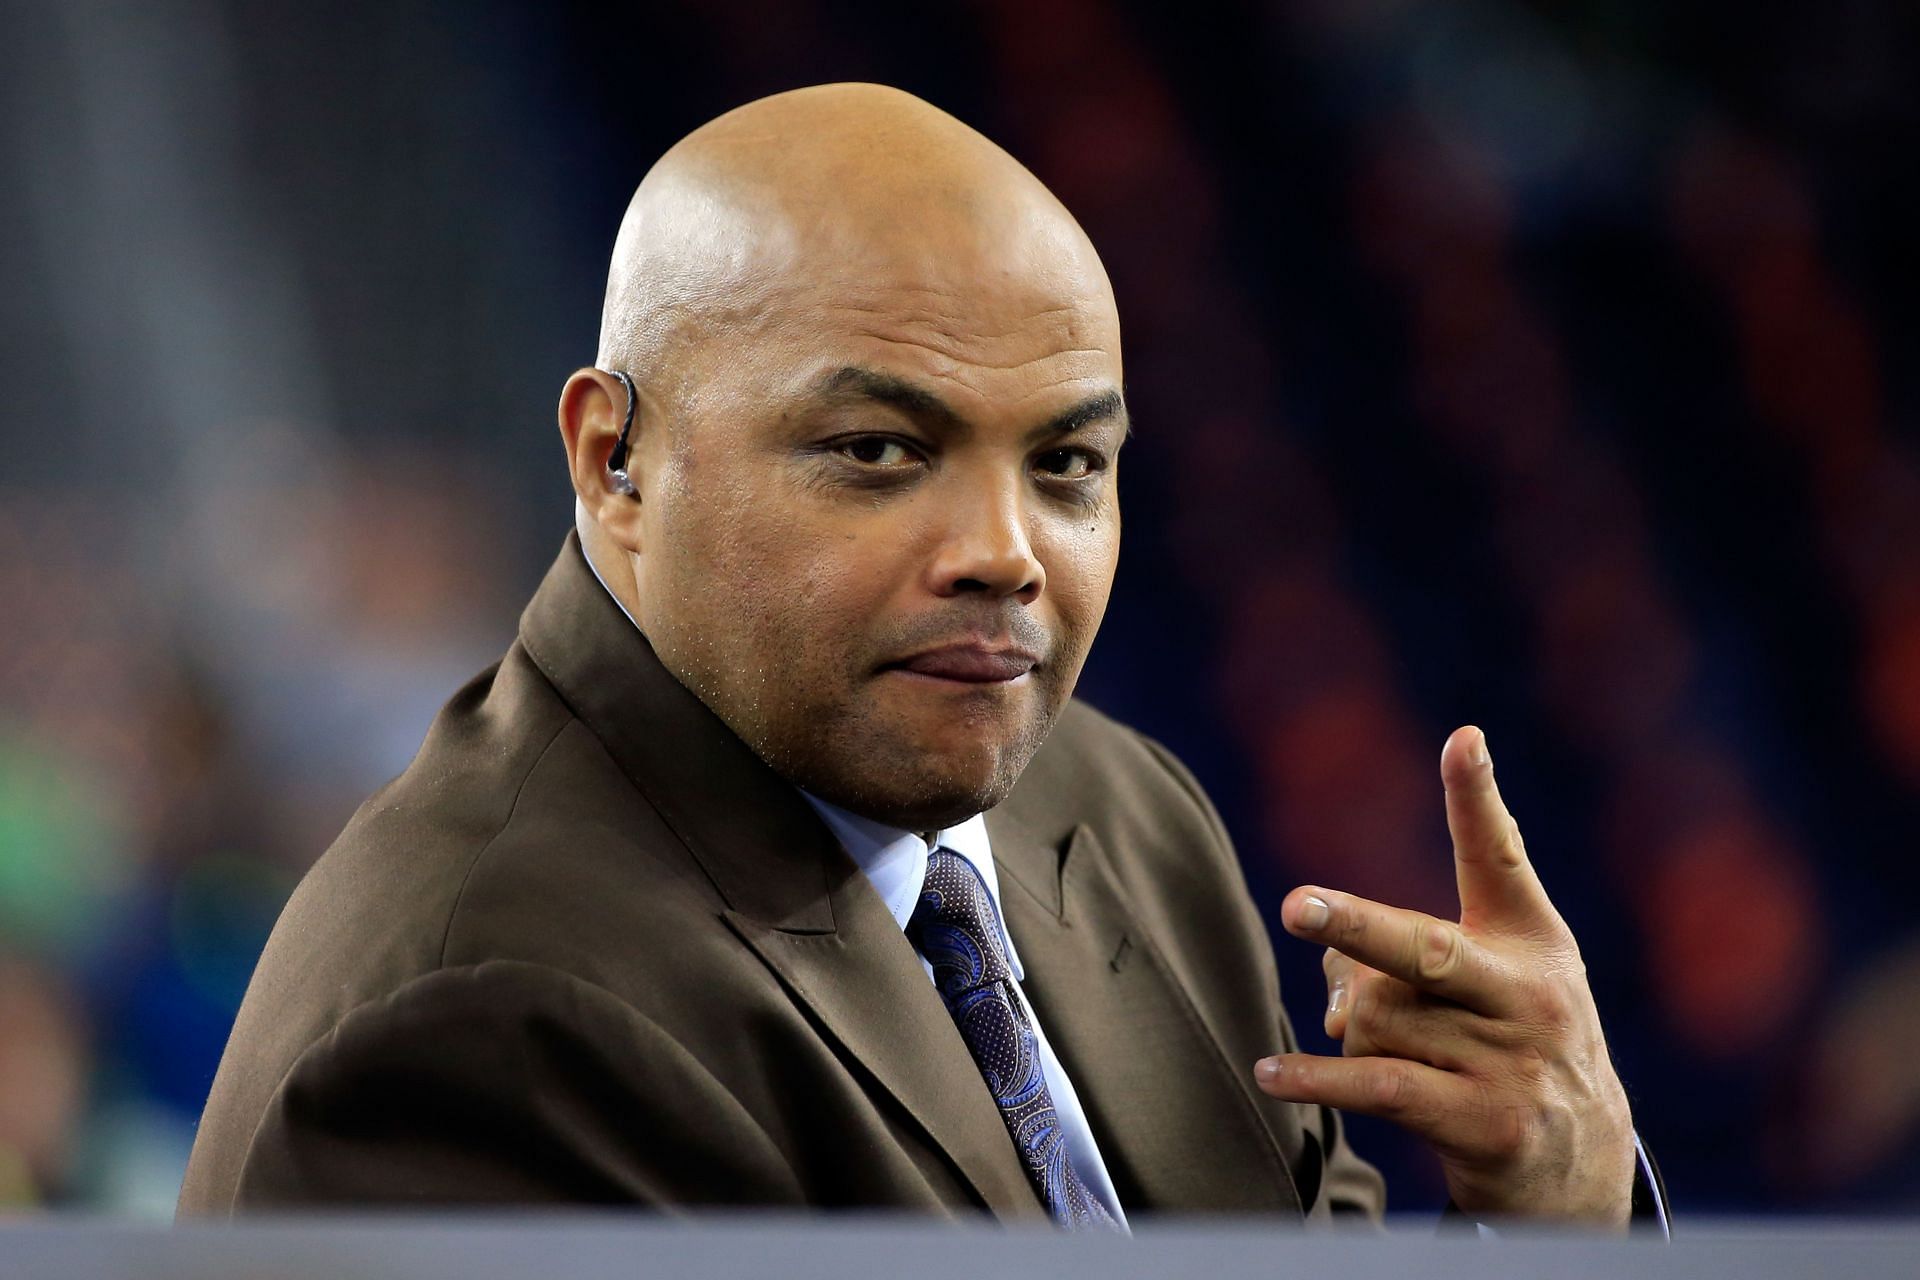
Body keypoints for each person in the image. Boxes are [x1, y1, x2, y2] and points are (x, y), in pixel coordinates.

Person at [178, 83, 1660, 1228]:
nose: (1008, 550)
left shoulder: (1116, 811)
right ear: (615, 462)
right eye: (881, 451)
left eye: (1070, 466)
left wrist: (1551, 1210)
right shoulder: (484, 1014)